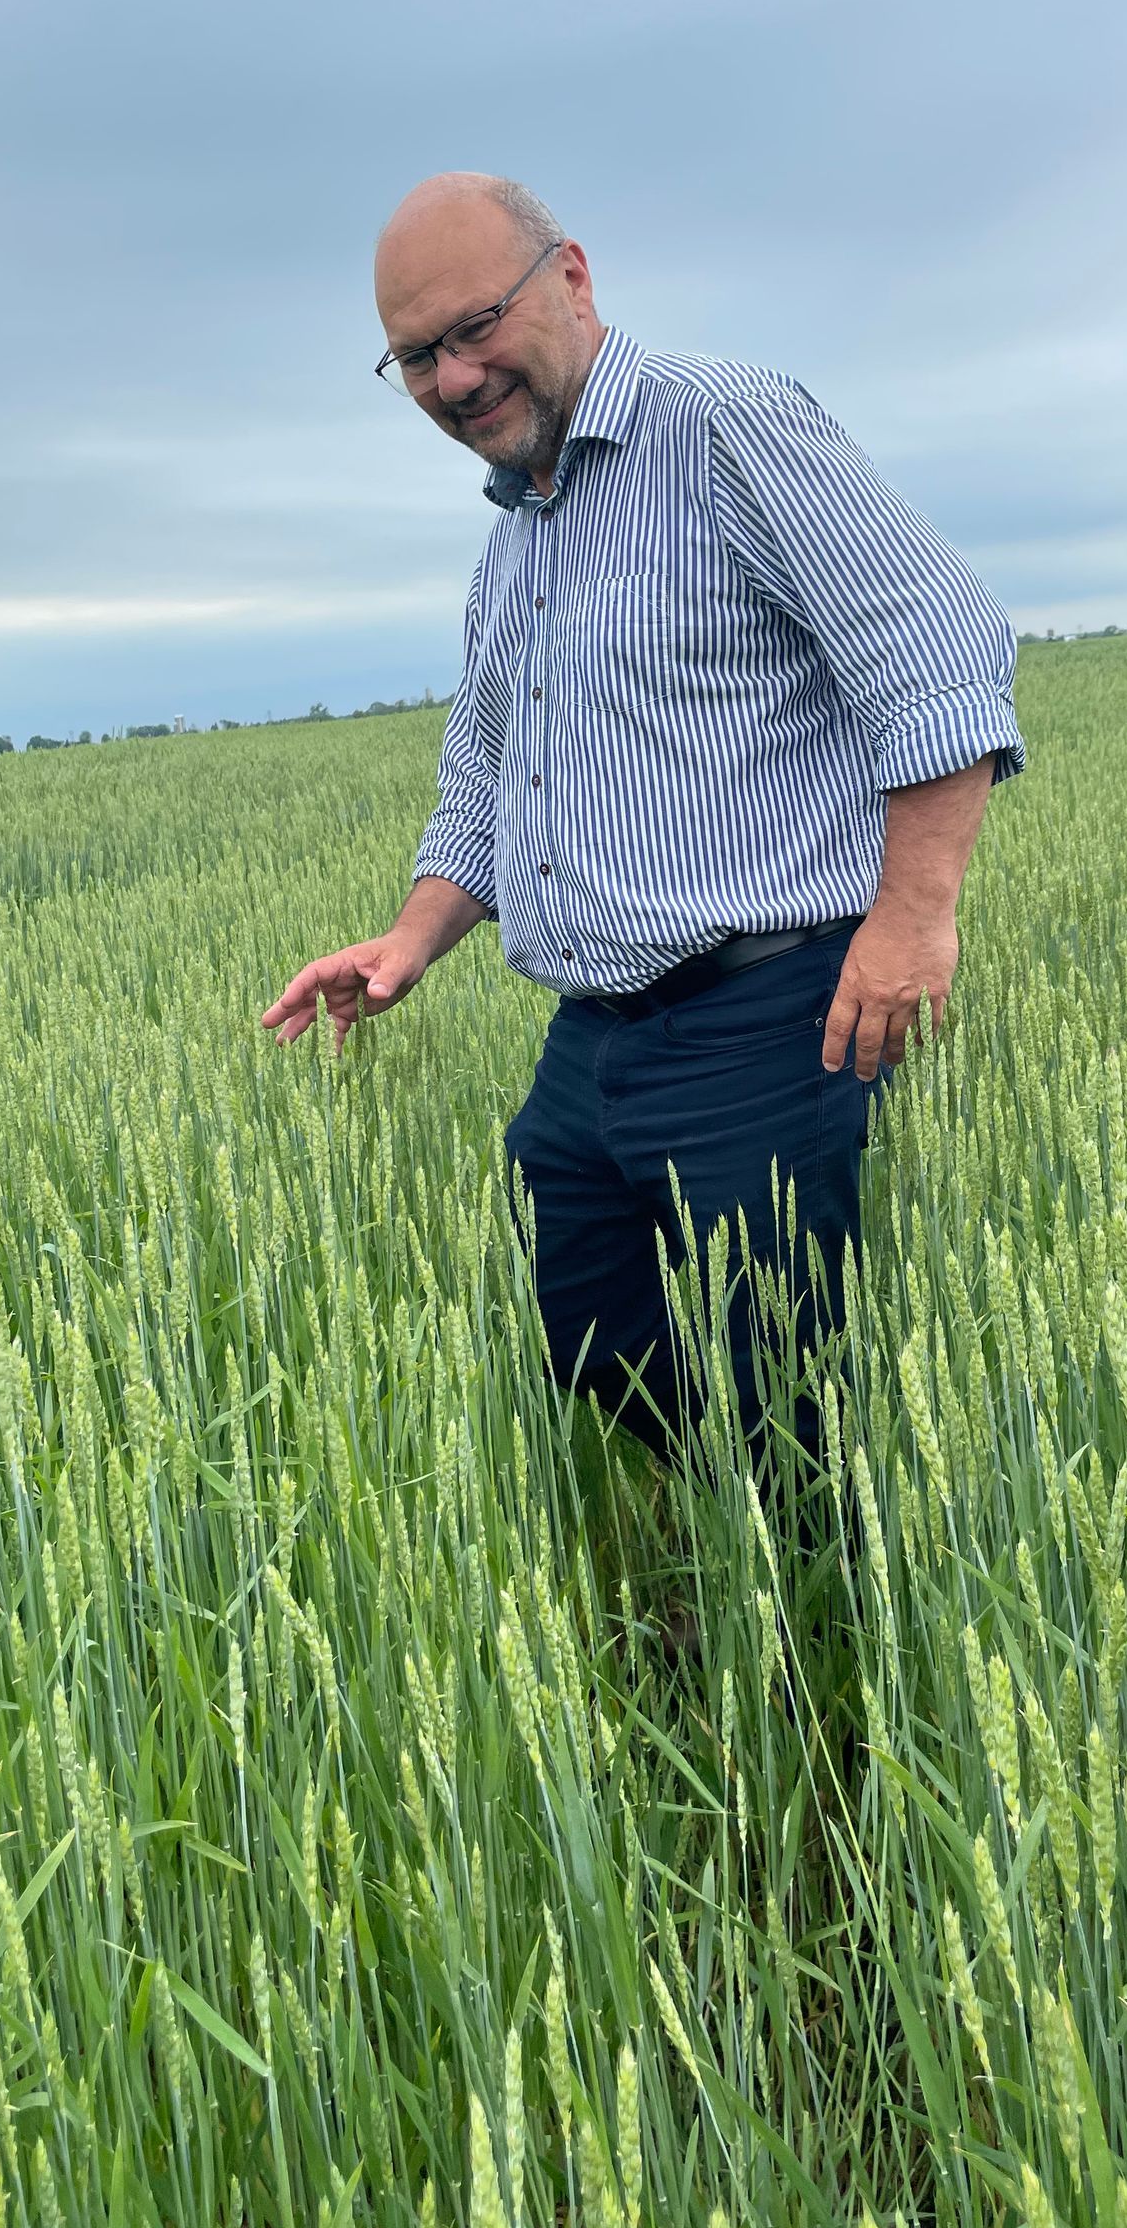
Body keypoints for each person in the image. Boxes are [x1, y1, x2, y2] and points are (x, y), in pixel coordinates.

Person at [262, 172, 1024, 1473]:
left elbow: (943, 649)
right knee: (588, 1335)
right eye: (418, 358)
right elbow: (488, 783)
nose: (455, 378)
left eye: (474, 328)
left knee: (786, 1409)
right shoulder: (517, 541)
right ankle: (698, 1553)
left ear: (570, 278)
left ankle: (801, 1593)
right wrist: (409, 940)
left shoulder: (724, 429)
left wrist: (913, 919)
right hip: (592, 1042)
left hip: (771, 1020)